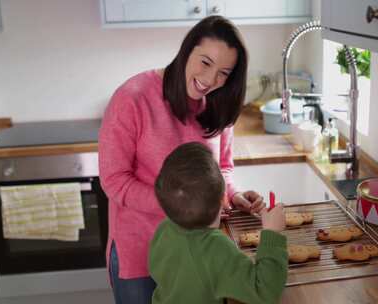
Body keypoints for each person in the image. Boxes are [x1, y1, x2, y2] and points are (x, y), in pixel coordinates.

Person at [98, 15, 266, 304]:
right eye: (205, 62)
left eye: (224, 72)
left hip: (199, 254)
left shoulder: (218, 102)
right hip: (141, 252)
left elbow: (221, 168)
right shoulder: (132, 98)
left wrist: (232, 195)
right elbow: (114, 181)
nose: (211, 80)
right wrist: (180, 203)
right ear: (187, 50)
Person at [150, 142, 288, 304]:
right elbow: (264, 292)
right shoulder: (217, 247)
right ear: (223, 199)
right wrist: (272, 233)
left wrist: (207, 213)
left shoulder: (164, 229)